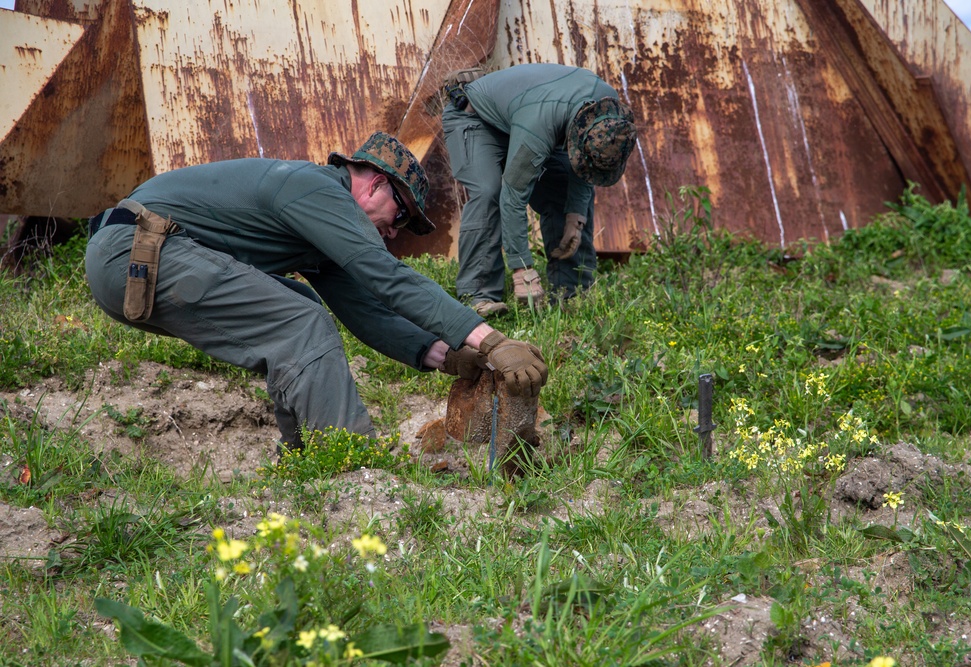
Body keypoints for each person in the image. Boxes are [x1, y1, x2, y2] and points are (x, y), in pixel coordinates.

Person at [85, 131, 548, 450]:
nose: (395, 232)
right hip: (138, 251)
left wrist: (445, 354)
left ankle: (306, 457)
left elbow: (366, 309)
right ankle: (352, 465)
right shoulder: (314, 189)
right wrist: (492, 341)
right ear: (376, 185)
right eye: (400, 215)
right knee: (301, 324)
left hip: (138, 262)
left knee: (301, 305)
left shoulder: (319, 227)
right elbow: (387, 277)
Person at [441, 63, 637, 317]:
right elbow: (512, 195)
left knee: (564, 188)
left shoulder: (608, 113)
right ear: (578, 136)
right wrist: (522, 267)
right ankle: (479, 296)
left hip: (527, 116)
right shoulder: (540, 125)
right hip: (475, 117)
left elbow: (585, 166)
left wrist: (575, 219)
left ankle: (571, 292)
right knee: (489, 191)